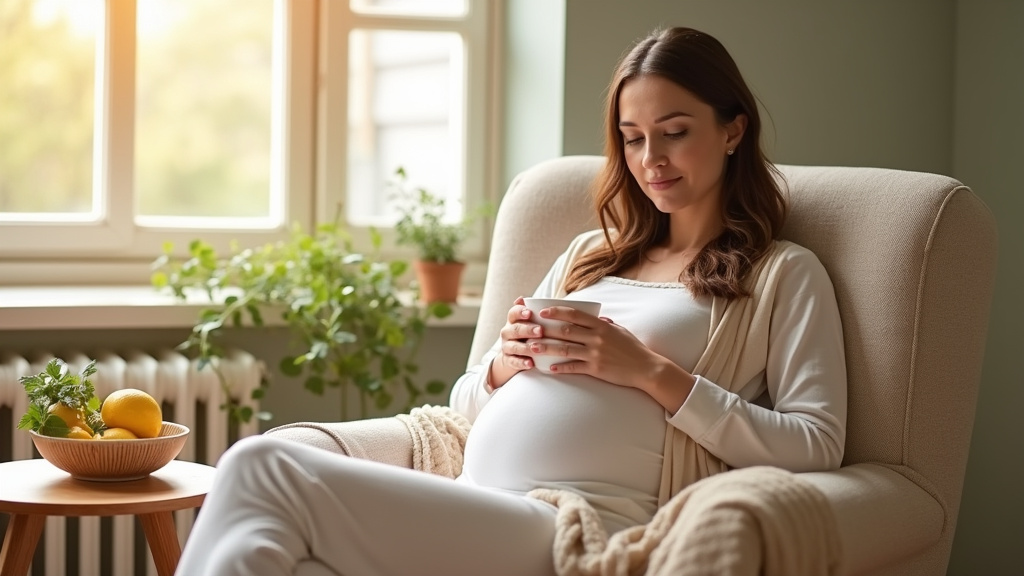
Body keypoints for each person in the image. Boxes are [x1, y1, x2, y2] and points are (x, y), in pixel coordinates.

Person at [175, 26, 846, 576]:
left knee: (260, 465)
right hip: (476, 500)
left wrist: (649, 372)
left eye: (674, 131)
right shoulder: (589, 256)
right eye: (633, 137)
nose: (651, 159)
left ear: (732, 130)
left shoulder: (781, 275)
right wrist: (503, 365)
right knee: (282, 548)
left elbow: (818, 445)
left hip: (576, 525)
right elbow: (467, 405)